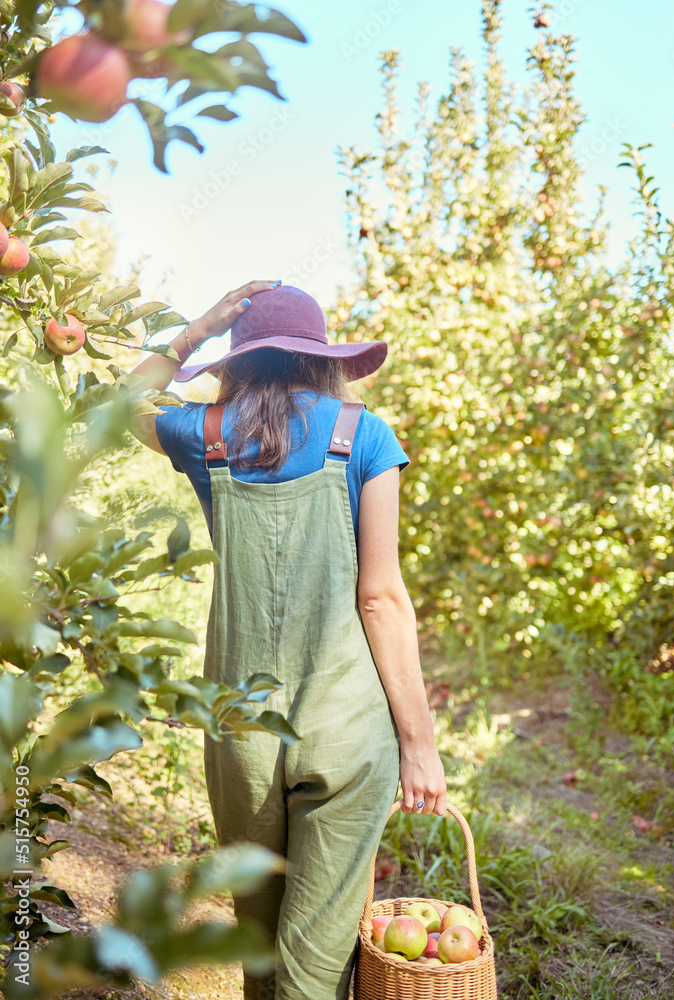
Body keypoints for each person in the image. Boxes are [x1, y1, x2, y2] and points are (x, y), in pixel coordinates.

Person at [129, 280, 447, 1000]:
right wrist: (419, 744)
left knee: (262, 949)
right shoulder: (363, 434)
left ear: (240, 361)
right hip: (345, 726)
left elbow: (113, 404)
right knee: (316, 962)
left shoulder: (204, 432)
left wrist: (195, 331)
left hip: (243, 733)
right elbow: (381, 597)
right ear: (321, 360)